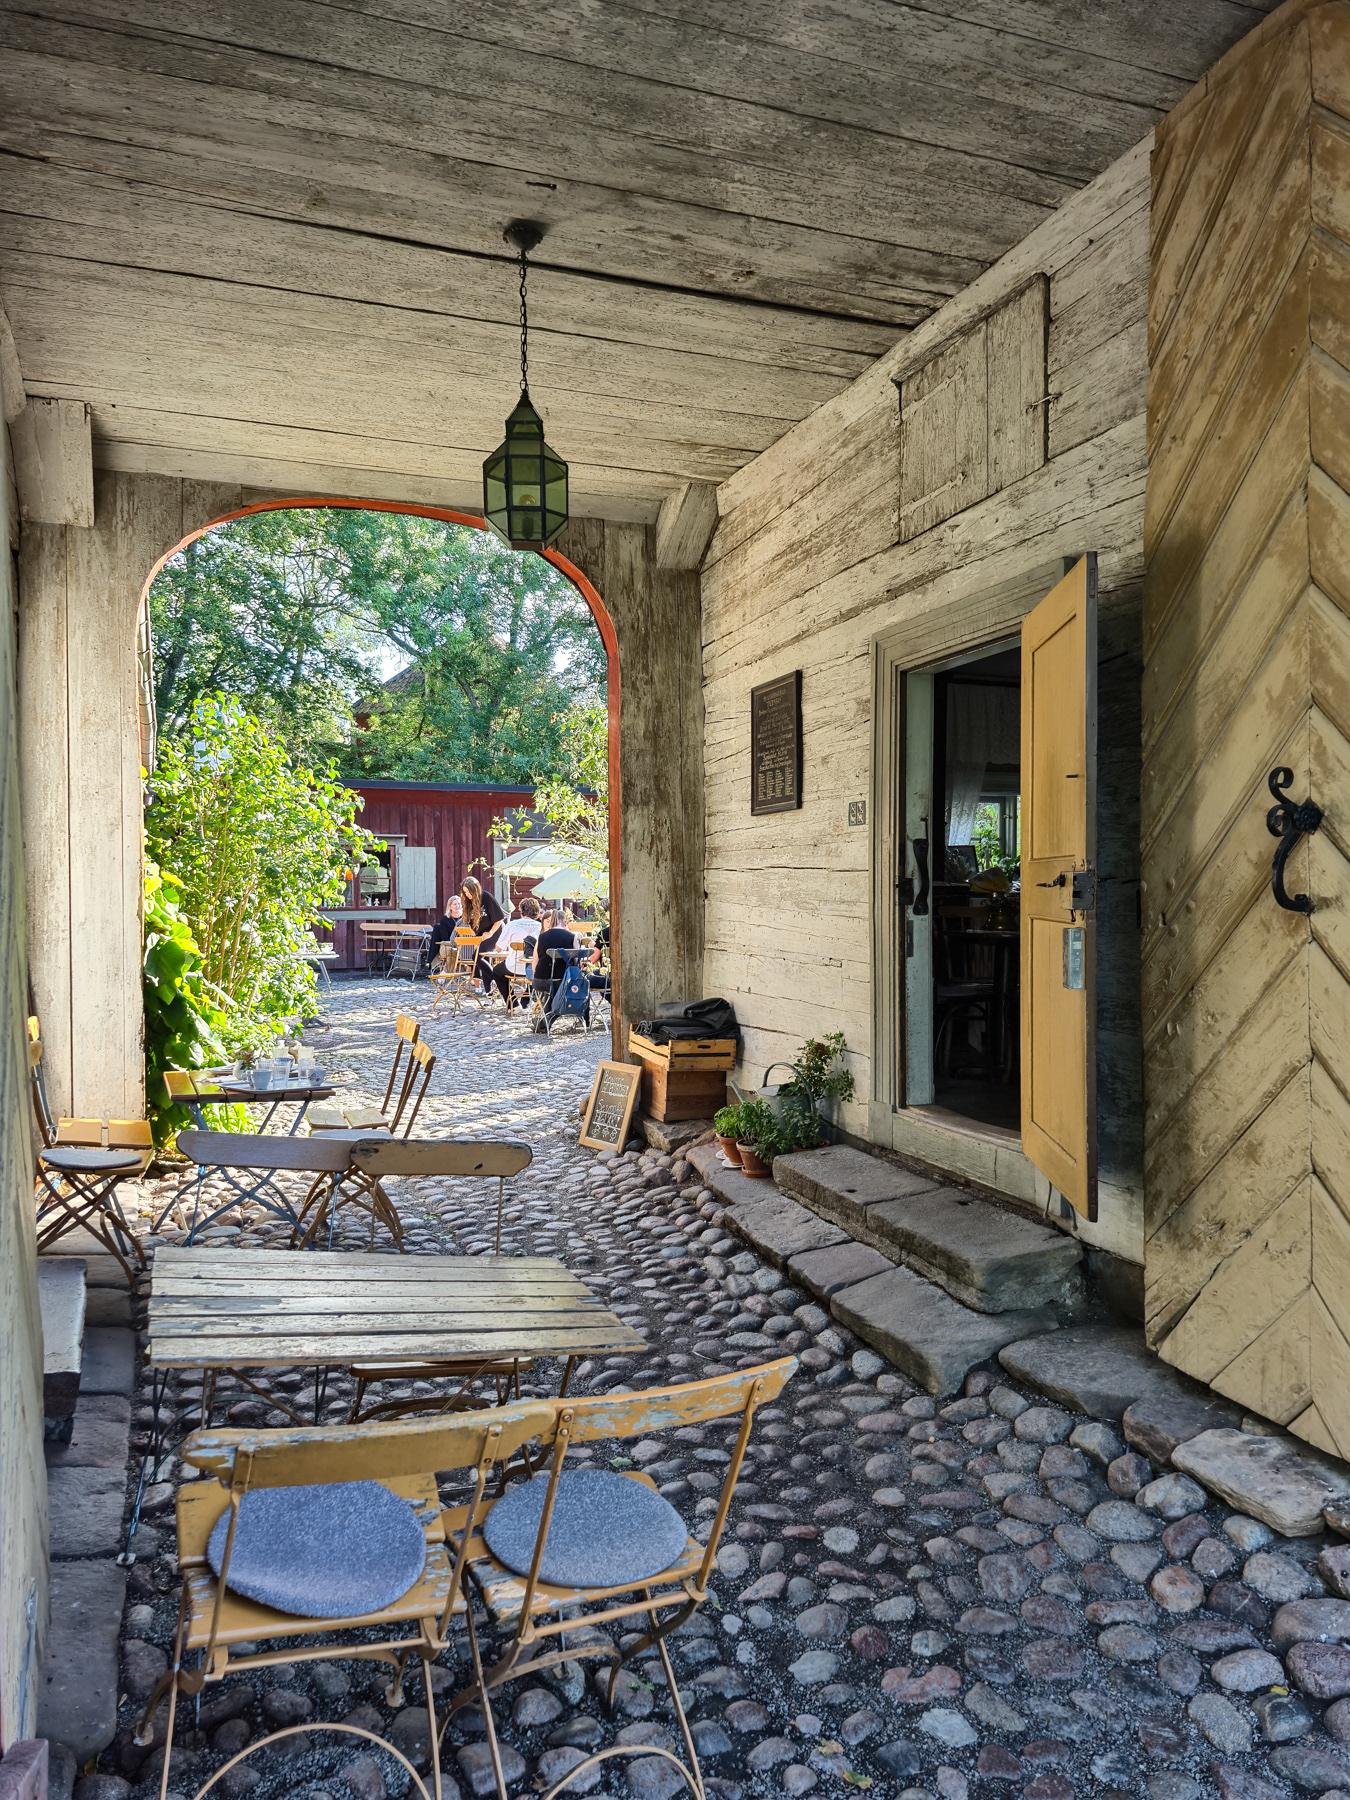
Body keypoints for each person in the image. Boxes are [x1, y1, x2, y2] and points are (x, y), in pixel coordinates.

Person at [531, 908, 583, 1030]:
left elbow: (535, 960)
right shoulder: (571, 937)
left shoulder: (541, 937)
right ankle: (582, 1019)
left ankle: (544, 1022)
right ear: (564, 922)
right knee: (565, 989)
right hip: (561, 981)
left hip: (539, 981)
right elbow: (577, 964)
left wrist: (535, 976)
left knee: (555, 992)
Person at [461, 875, 506, 996]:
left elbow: (499, 918)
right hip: (482, 934)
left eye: (469, 891)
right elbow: (471, 926)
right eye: (465, 892)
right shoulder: (467, 902)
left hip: (495, 931)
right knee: (484, 958)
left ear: (475, 889)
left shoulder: (486, 897)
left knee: (476, 956)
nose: (467, 895)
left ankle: (498, 980)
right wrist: (476, 940)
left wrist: (490, 932)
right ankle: (489, 993)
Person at [495, 896, 542, 1009]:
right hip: (535, 968)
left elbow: (498, 949)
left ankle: (513, 1004)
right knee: (533, 976)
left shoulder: (512, 924)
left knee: (497, 972)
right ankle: (525, 1000)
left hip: (514, 967)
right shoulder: (541, 926)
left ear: (521, 911)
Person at [428, 894, 464, 963]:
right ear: (450, 906)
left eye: (459, 904)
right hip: (448, 945)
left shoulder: (465, 918)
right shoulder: (444, 920)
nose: (457, 906)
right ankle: (449, 972)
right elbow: (445, 939)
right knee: (452, 951)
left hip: (463, 946)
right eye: (455, 904)